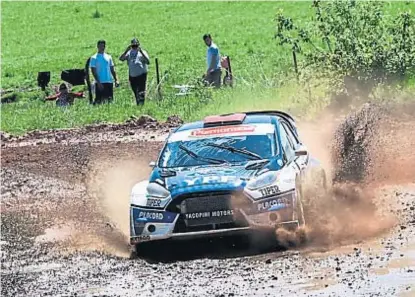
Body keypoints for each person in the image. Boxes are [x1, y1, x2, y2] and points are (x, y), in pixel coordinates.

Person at [119, 38, 150, 105]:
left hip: (141, 75)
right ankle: (138, 103)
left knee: (141, 91)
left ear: (139, 45)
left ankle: (141, 104)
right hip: (132, 76)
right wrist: (126, 51)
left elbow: (148, 62)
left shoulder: (143, 52)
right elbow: (121, 59)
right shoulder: (129, 53)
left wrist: (141, 51)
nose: (135, 47)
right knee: (135, 91)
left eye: (136, 45)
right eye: (133, 46)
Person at [89, 40, 119, 104]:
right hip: (100, 82)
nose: (102, 47)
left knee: (109, 100)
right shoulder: (94, 58)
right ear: (97, 46)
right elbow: (93, 71)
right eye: (100, 46)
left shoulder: (109, 57)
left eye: (103, 46)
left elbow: (112, 69)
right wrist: (98, 82)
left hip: (109, 81)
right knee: (99, 101)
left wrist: (116, 79)